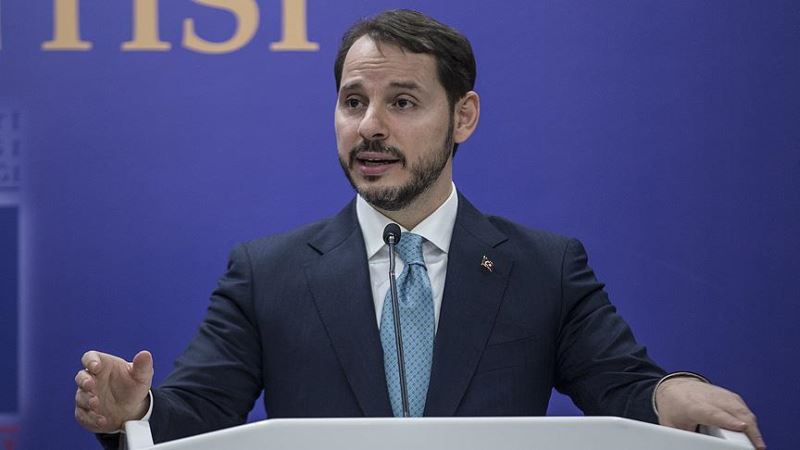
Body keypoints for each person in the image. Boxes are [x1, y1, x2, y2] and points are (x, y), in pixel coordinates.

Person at [73, 9, 765, 449]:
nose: (370, 126)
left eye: (402, 102)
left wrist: (670, 391)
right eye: (353, 102)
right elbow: (197, 412)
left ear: (463, 117)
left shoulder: (544, 268)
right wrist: (135, 409)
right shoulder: (267, 273)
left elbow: (625, 387)